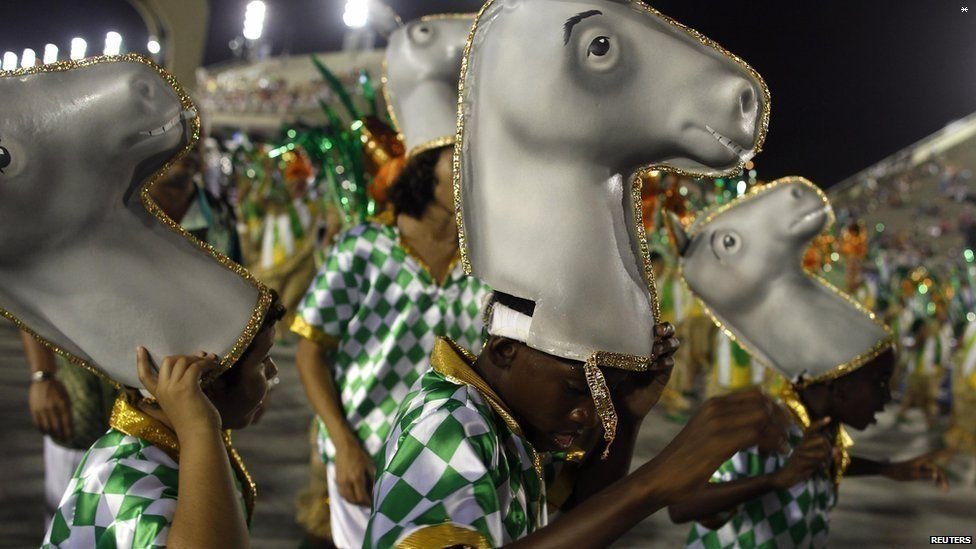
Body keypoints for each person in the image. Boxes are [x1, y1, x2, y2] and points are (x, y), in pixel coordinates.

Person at [291, 14, 486, 549]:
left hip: (455, 462)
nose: (472, 176)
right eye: (457, 161)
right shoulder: (364, 248)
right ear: (422, 169)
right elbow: (309, 353)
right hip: (366, 460)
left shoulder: (489, 262)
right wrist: (343, 444)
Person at [42, 301, 285, 548]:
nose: (273, 370)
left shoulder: (183, 444)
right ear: (206, 377)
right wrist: (200, 428)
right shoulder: (124, 483)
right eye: (263, 360)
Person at [673, 351, 948, 548]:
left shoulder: (819, 430)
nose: (887, 396)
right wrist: (775, 480)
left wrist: (886, 469)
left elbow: (817, 464)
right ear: (838, 385)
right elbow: (681, 506)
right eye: (880, 382)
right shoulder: (762, 428)